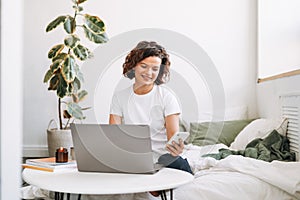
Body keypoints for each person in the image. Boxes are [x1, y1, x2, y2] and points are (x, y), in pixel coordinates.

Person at [109, 41, 193, 177]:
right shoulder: (120, 97)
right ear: (134, 66)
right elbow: (113, 135)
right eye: (144, 66)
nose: (149, 72)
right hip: (134, 159)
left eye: (155, 69)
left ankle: (155, 182)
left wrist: (176, 147)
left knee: (178, 166)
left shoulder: (167, 97)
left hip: (163, 159)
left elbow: (173, 137)